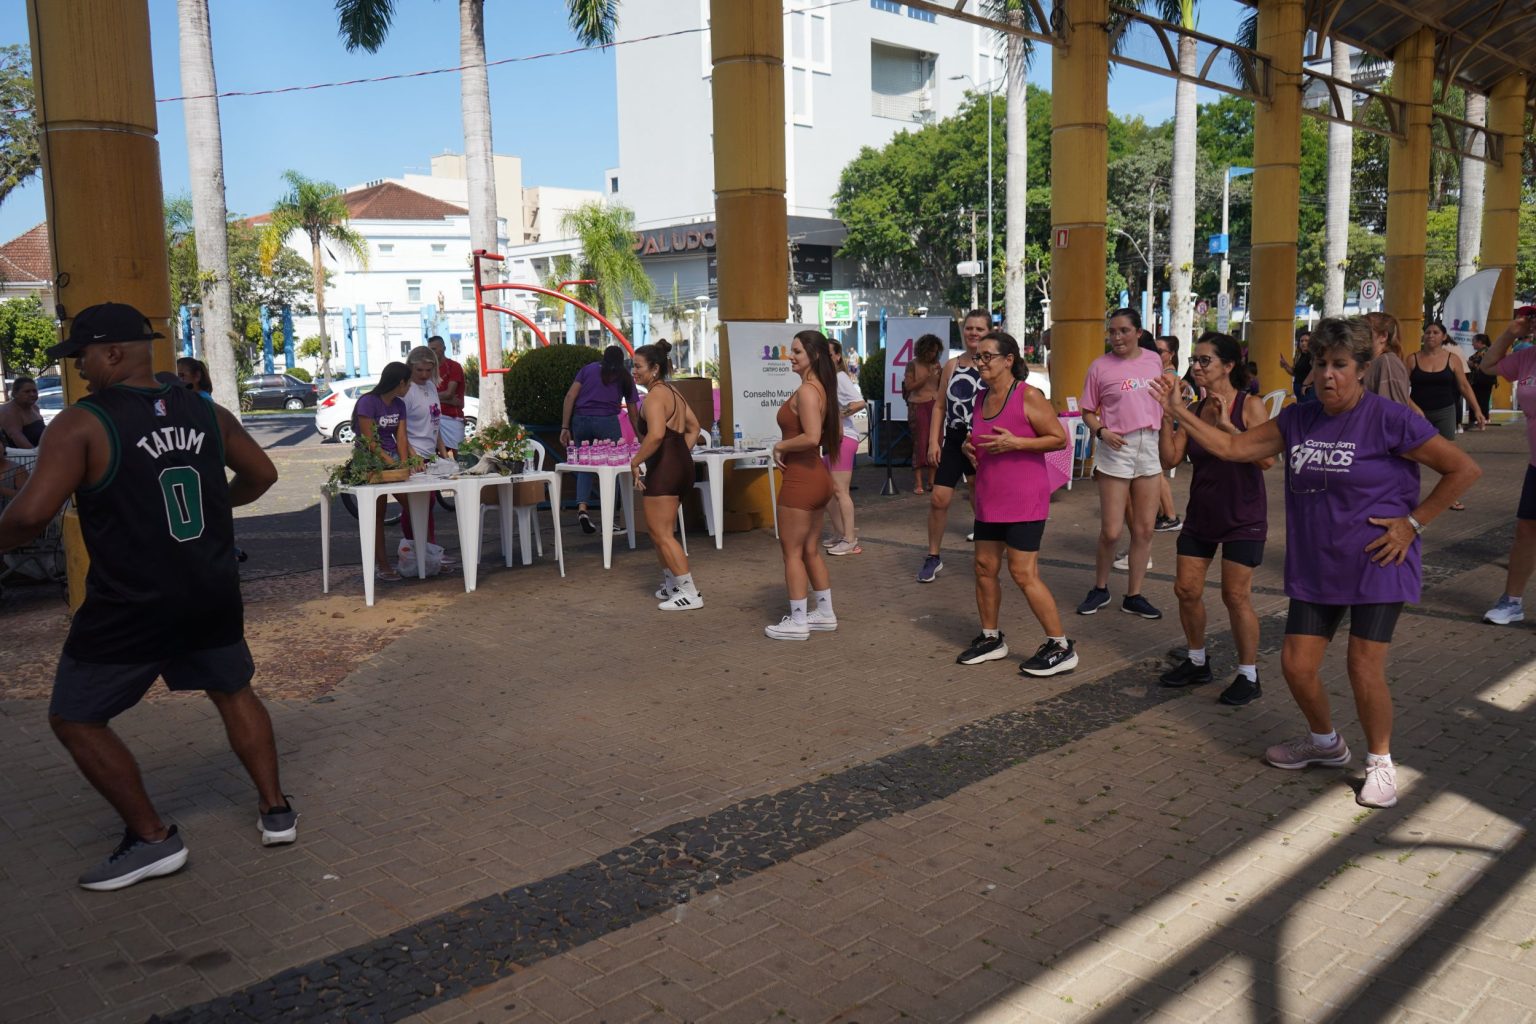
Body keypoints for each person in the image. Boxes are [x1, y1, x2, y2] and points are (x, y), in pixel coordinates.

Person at [0, 302, 295, 889]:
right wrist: (215, 508)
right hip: (209, 589)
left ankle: (153, 839)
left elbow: (30, 515)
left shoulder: (82, 423)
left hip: (132, 602)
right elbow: (263, 474)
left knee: (75, 718)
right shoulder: (207, 411)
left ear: (112, 352)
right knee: (233, 691)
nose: (77, 368)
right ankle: (276, 810)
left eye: (81, 355)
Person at [1152, 317, 1480, 808]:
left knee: (1362, 667)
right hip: (1316, 562)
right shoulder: (1298, 419)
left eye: (1340, 365)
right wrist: (1179, 411)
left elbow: (1463, 469)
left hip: (1377, 561)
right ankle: (1325, 742)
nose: (1328, 374)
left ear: (1362, 369)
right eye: (1321, 364)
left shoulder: (1389, 419)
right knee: (1296, 665)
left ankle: (1381, 763)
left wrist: (1412, 524)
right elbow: (1234, 447)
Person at [1155, 332, 1272, 706]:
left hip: (1244, 515)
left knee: (1235, 595)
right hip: (1203, 513)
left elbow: (1266, 459)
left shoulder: (1250, 405)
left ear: (1229, 365)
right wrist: (1167, 416)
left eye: (1205, 360)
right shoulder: (1193, 409)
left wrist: (1228, 428)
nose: (1196, 366)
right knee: (1186, 589)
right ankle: (1196, 660)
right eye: (1194, 360)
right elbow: (1170, 459)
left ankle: (1248, 674)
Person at [955, 331, 1078, 676]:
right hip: (990, 495)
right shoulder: (981, 398)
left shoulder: (1028, 395)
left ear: (1008, 360)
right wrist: (968, 445)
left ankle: (1060, 646)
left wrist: (1017, 443)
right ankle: (991, 638)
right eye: (977, 357)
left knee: (1023, 573)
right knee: (984, 567)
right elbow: (982, 436)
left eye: (987, 356)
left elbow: (1059, 439)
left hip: (1025, 498)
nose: (980, 363)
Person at [1078, 307, 1165, 620]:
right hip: (1116, 448)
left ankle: (1134, 595)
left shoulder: (1153, 360)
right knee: (1112, 531)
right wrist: (1102, 431)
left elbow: (1163, 399)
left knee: (1144, 529)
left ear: (1138, 332)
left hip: (1149, 445)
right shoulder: (1099, 367)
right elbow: (1087, 411)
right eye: (1112, 331)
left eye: (1124, 331)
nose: (1117, 337)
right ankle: (1100, 588)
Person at [766, 329, 840, 640]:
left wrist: (780, 446)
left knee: (792, 552)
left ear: (815, 355)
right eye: (792, 351)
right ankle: (824, 613)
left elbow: (811, 436)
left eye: (797, 352)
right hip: (815, 477)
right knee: (809, 550)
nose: (791, 357)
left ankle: (798, 621)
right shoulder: (819, 388)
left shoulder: (809, 391)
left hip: (802, 479)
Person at [628, 340, 704, 610]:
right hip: (680, 466)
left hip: (666, 469)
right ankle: (672, 584)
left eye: (638, 366)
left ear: (655, 369)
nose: (634, 371)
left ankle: (689, 592)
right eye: (632, 366)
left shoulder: (655, 397)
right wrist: (679, 454)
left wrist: (636, 461)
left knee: (662, 533)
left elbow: (657, 434)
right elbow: (695, 428)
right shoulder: (673, 392)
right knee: (659, 531)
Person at [918, 309, 988, 583]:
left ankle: (989, 550)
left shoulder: (995, 365)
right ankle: (933, 556)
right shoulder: (952, 365)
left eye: (979, 329)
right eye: (969, 328)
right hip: (955, 438)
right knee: (939, 498)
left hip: (983, 440)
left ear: (989, 332)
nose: (973, 333)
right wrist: (933, 441)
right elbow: (939, 406)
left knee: (980, 495)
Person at [1477, 311, 1536, 626]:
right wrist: (1511, 332)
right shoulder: (1528, 358)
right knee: (1526, 531)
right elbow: (1487, 366)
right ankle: (1512, 602)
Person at [562, 345, 641, 535]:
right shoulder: (624, 376)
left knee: (585, 466)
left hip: (580, 421)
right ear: (622, 361)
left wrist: (565, 427)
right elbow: (633, 413)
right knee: (612, 469)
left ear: (603, 357)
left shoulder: (588, 369)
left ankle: (582, 509)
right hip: (607, 422)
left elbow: (570, 396)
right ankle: (609, 520)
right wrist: (641, 437)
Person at [1409, 320, 1485, 510]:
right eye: (1428, 332)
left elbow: (1464, 386)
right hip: (1417, 414)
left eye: (1435, 332)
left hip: (1444, 411)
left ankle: (1450, 496)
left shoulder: (1453, 359)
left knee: (1449, 457)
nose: (1431, 335)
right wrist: (1412, 407)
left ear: (1444, 337)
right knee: (1409, 454)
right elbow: (1400, 387)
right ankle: (1404, 493)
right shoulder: (1412, 359)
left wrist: (1477, 410)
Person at [354, 362, 414, 583]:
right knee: (377, 514)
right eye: (408, 383)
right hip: (369, 460)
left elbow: (402, 437)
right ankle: (383, 564)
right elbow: (368, 440)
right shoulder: (368, 402)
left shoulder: (399, 404)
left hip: (393, 458)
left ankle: (418, 555)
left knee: (414, 503)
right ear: (401, 383)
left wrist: (404, 465)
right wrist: (391, 463)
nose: (410, 388)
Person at [401, 346, 451, 558]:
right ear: (410, 368)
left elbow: (435, 422)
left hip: (430, 454)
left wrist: (443, 452)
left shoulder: (431, 386)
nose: (423, 375)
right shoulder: (407, 391)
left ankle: (427, 550)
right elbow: (400, 430)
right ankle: (419, 549)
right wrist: (412, 457)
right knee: (417, 504)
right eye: (419, 370)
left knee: (427, 503)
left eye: (428, 370)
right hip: (414, 455)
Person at [823, 339, 866, 556]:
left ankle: (850, 540)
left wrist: (838, 416)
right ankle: (841, 533)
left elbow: (860, 402)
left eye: (829, 354)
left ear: (838, 356)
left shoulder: (839, 377)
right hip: (833, 441)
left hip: (845, 439)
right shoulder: (827, 379)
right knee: (827, 490)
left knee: (840, 491)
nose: (825, 359)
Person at [902, 334, 943, 494]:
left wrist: (942, 375)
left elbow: (940, 386)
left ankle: (932, 481)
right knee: (920, 442)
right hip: (918, 405)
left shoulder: (937, 365)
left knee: (936, 441)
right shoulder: (912, 365)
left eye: (935, 351)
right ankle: (918, 482)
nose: (933, 354)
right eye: (930, 351)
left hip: (935, 404)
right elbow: (909, 386)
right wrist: (927, 377)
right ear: (923, 350)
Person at [1361, 312, 1415, 409]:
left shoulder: (1387, 362)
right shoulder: (1375, 361)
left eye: (1366, 330)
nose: (1359, 335)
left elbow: (1393, 410)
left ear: (1383, 336)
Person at [428, 336, 466, 454]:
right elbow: (425, 396)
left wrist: (431, 398)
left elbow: (449, 393)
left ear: (443, 348)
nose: (431, 353)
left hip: (452, 417)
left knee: (460, 455)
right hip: (433, 417)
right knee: (434, 457)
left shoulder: (454, 366)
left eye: (434, 349)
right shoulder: (428, 369)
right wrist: (446, 399)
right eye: (430, 350)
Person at [0, 375, 45, 449]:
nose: (32, 394)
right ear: (15, 394)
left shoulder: (35, 408)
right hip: (22, 455)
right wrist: (40, 454)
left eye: (34, 391)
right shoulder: (8, 411)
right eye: (27, 392)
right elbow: (18, 439)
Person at [1279, 327, 1316, 403]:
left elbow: (1315, 370)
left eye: (1306, 341)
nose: (1303, 343)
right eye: (1301, 341)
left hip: (1307, 391)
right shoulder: (1301, 356)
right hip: (1299, 390)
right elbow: (1295, 373)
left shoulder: (1313, 356)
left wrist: (1305, 384)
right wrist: (1285, 365)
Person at [1466, 333, 1496, 426]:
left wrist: (1471, 364)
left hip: (1483, 380)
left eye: (1473, 342)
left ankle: (1482, 419)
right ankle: (1478, 419)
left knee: (1482, 400)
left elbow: (1481, 366)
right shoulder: (1481, 352)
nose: (1472, 344)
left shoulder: (1486, 352)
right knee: (1479, 399)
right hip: (1479, 380)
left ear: (1480, 342)